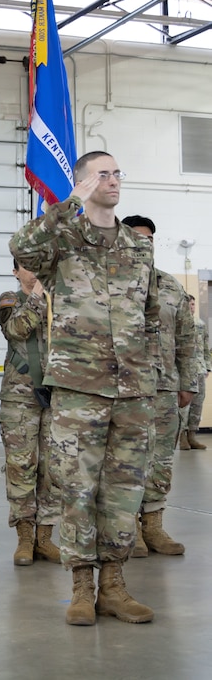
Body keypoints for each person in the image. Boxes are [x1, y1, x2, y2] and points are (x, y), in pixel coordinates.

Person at [10, 151, 161, 626]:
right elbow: (22, 247)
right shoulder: (64, 241)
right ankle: (80, 586)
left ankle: (114, 586)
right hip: (80, 386)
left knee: (123, 490)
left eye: (118, 172)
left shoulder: (139, 248)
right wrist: (65, 205)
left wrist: (150, 371)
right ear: (82, 183)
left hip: (134, 388)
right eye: (104, 173)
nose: (114, 180)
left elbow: (150, 313)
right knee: (77, 488)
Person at [122, 216, 197, 558]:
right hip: (124, 390)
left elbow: (186, 339)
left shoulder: (170, 287)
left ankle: (153, 526)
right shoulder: (113, 285)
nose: (144, 243)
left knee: (161, 460)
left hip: (165, 388)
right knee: (127, 461)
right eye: (137, 237)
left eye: (149, 238)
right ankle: (129, 530)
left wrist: (188, 382)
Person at [0, 259, 61, 566]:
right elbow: (16, 330)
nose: (33, 272)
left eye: (38, 266)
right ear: (15, 272)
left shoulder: (60, 302)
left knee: (52, 470)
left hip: (57, 397)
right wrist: (37, 293)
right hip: (20, 398)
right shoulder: (10, 299)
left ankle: (45, 538)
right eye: (26, 267)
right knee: (21, 468)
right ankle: (24, 538)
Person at [179, 294, 210, 450]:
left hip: (200, 369)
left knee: (198, 403)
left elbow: (206, 347)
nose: (192, 307)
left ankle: (192, 436)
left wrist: (208, 366)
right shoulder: (179, 323)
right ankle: (182, 437)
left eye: (193, 304)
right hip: (185, 370)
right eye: (189, 304)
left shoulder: (201, 324)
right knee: (185, 404)